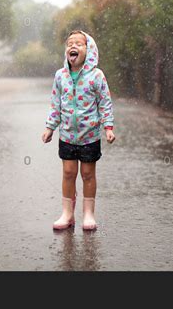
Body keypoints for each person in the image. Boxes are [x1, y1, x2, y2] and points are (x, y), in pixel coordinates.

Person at [41, 30, 115, 231]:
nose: (72, 46)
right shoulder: (61, 75)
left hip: (89, 135)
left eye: (78, 44)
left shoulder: (96, 76)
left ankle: (89, 214)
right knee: (68, 172)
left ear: (89, 50)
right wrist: (50, 127)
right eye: (69, 43)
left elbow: (105, 103)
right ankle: (67, 214)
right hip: (67, 134)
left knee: (88, 174)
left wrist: (108, 127)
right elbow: (56, 104)